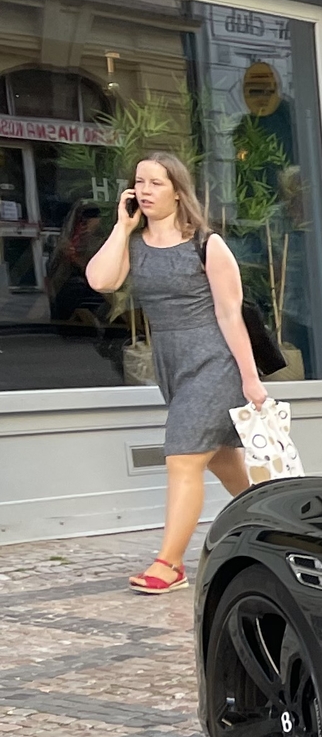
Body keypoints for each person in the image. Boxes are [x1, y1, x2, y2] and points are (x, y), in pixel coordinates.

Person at [84, 153, 267, 594]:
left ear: (177, 191)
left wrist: (250, 378)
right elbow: (100, 281)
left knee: (182, 455)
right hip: (173, 363)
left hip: (214, 361)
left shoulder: (207, 243)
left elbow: (230, 314)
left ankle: (169, 564)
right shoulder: (136, 243)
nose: (144, 191)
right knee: (223, 459)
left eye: (155, 183)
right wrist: (122, 228)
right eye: (139, 183)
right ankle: (267, 519)